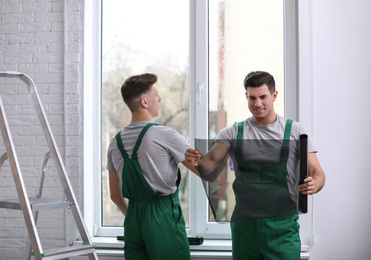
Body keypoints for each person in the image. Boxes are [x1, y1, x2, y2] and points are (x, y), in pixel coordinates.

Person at [185, 71, 325, 260]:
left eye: (262, 97)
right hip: (245, 227)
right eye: (252, 98)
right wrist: (187, 157)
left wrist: (314, 183)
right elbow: (209, 169)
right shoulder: (232, 132)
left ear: (274, 95)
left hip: (283, 227)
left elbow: (318, 173)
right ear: (246, 96)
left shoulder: (295, 131)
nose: (257, 104)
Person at [106, 73, 196, 260]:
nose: (160, 98)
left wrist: (136, 215)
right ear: (144, 102)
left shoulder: (115, 142)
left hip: (132, 220)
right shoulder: (164, 135)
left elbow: (115, 195)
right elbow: (204, 170)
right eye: (157, 94)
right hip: (162, 217)